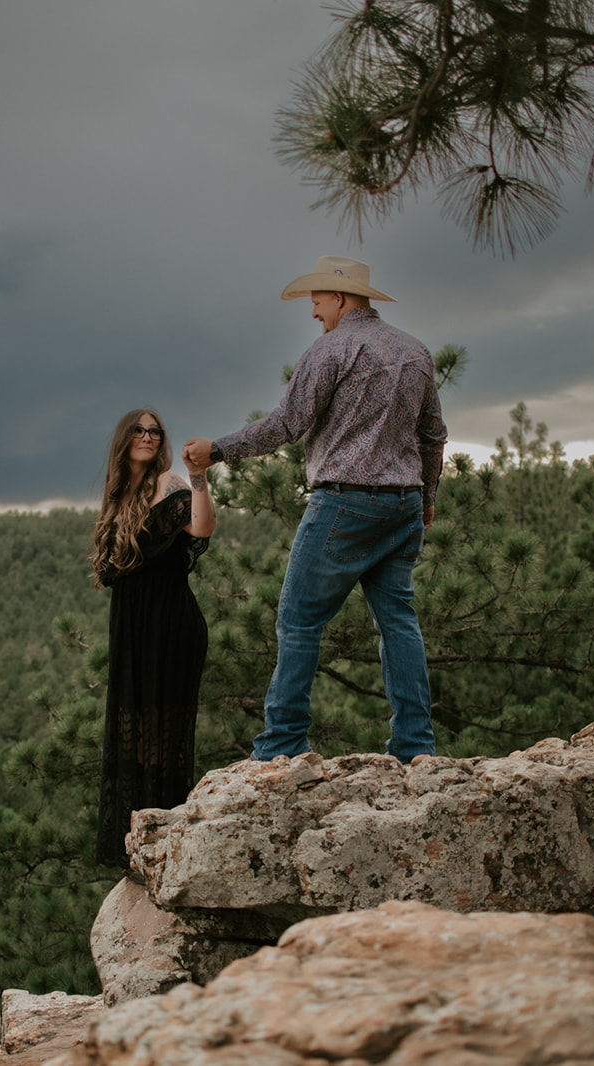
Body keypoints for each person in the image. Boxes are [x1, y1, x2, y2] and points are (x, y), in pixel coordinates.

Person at [182, 255, 446, 763]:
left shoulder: (331, 350)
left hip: (344, 503)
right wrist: (427, 498)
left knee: (299, 622)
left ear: (340, 298)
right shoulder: (416, 352)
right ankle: (416, 748)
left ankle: (281, 744)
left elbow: (286, 424)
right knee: (398, 622)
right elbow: (433, 434)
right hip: (404, 505)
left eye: (317, 301)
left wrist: (217, 450)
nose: (313, 313)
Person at [91, 408, 217, 867]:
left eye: (154, 431)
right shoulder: (117, 496)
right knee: (133, 734)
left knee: (164, 734)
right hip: (131, 629)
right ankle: (137, 847)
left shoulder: (169, 484)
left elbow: (202, 527)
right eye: (139, 430)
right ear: (124, 439)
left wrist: (197, 477)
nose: (147, 436)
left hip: (169, 623)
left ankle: (170, 847)